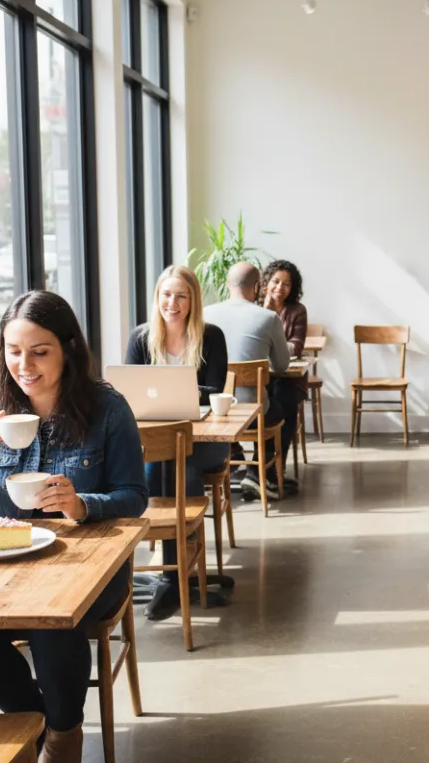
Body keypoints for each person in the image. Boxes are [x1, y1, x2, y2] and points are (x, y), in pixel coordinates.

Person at [0, 291, 147, 762]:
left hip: (90, 568)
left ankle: (65, 735)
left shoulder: (107, 408)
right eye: (14, 350)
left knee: (52, 620)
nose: (25, 365)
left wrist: (82, 504)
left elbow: (134, 497)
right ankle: (39, 724)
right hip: (7, 566)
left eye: (40, 352)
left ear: (69, 348)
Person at [125, 265, 228, 619]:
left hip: (205, 439)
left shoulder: (211, 336)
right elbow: (128, 392)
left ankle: (179, 564)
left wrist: (176, 390)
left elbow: (214, 390)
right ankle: (176, 566)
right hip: (156, 438)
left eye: (181, 296)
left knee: (180, 462)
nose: (173, 302)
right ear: (158, 298)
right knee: (158, 461)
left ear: (193, 300)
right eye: (167, 295)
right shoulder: (140, 338)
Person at [202, 262, 294, 500]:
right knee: (284, 407)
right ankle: (261, 473)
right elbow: (282, 366)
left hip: (214, 411)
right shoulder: (268, 317)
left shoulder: (204, 314)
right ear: (257, 287)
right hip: (253, 415)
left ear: (227, 284)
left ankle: (231, 462)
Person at [262, 259, 308, 494]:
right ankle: (252, 468)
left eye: (287, 284)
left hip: (290, 378)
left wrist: (273, 347)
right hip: (261, 378)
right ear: (266, 283)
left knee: (285, 401)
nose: (280, 288)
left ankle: (274, 469)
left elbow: (297, 346)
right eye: (276, 281)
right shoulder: (254, 307)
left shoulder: (297, 310)